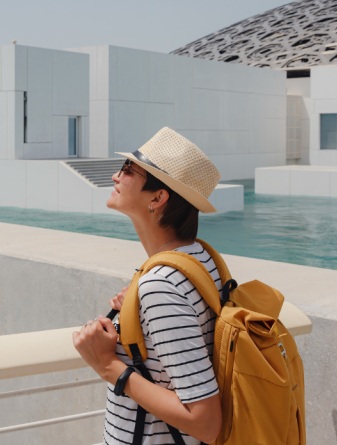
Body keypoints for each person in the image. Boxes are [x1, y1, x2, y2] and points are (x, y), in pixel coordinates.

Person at [72, 127, 223, 445]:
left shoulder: (160, 285)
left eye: (128, 169)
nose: (115, 175)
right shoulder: (201, 258)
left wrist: (108, 365)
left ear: (157, 197)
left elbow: (206, 422)